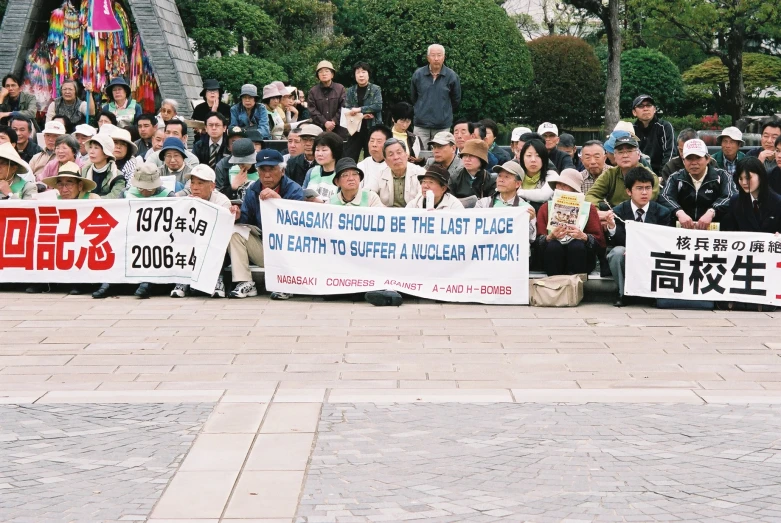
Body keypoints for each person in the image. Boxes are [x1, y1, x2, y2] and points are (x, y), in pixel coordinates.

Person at [229, 149, 304, 299]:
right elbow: (246, 219)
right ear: (257, 171)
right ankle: (245, 282)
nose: (267, 175)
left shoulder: (294, 189)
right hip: (265, 247)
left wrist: (278, 202)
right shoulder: (253, 189)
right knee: (235, 232)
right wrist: (237, 216)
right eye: (263, 170)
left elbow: (299, 224)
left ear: (282, 171)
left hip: (291, 252)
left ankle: (287, 284)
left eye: (272, 169)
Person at [604, 167, 673, 307]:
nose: (644, 192)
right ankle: (622, 293)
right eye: (639, 188)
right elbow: (616, 242)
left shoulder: (663, 212)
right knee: (616, 252)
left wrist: (640, 249)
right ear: (629, 191)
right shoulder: (618, 211)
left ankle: (653, 293)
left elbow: (663, 241)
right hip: (626, 253)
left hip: (651, 253)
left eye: (648, 188)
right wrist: (612, 227)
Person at [170, 164, 235, 299]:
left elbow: (222, 229)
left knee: (216, 242)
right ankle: (182, 281)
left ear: (212, 186)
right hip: (191, 243)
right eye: (192, 183)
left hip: (214, 243)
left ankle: (218, 279)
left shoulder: (222, 201)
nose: (195, 187)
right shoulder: (186, 200)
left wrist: (203, 207)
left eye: (200, 183)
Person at [536, 168, 605, 276]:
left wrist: (584, 237)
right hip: (553, 256)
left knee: (576, 245)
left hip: (581, 256)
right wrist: (549, 237)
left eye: (564, 185)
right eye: (558, 185)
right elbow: (538, 241)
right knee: (554, 246)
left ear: (574, 190)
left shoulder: (589, 208)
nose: (559, 188)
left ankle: (576, 284)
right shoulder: (545, 208)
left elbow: (599, 242)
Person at [659, 138, 736, 229]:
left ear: (708, 159)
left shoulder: (722, 176)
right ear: (684, 161)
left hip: (715, 231)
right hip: (682, 230)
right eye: (689, 159)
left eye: (698, 158)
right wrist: (679, 212)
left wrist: (711, 212)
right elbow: (664, 196)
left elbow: (730, 196)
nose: (694, 163)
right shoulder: (675, 178)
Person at [586, 135, 660, 223]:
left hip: (641, 220)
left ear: (638, 155)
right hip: (613, 218)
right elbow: (591, 195)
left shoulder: (649, 176)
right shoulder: (610, 174)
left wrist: (617, 213)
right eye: (620, 152)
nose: (625, 155)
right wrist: (598, 212)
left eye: (629, 151)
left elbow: (646, 201)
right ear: (615, 157)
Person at [410, 44, 461, 144]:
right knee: (418, 156)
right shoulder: (418, 74)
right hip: (421, 124)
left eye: (439, 55)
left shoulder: (451, 76)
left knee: (441, 156)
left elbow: (456, 100)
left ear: (444, 57)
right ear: (428, 58)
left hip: (442, 126)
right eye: (433, 55)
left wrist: (443, 112)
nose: (436, 59)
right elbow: (413, 97)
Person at [475, 161, 537, 241]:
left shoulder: (526, 208)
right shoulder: (483, 204)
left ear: (517, 184)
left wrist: (527, 221)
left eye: (507, 177)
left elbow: (531, 239)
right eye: (499, 176)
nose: (501, 180)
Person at [721, 157, 781, 236]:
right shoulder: (735, 201)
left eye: (748, 178)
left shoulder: (778, 202)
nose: (744, 182)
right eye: (740, 178)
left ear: (760, 176)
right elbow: (731, 231)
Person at [344, 62, 383, 161]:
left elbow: (378, 106)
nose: (361, 75)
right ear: (355, 75)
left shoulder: (376, 89)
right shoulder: (350, 91)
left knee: (370, 158)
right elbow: (348, 109)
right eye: (358, 72)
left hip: (372, 127)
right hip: (354, 129)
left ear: (368, 74)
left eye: (364, 72)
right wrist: (362, 115)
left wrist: (360, 109)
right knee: (350, 157)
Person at [370, 138, 424, 208]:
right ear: (385, 161)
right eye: (391, 154)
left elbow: (422, 196)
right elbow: (370, 194)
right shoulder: (379, 174)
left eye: (399, 153)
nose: (396, 157)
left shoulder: (420, 172)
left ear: (406, 155)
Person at [631, 94, 674, 175]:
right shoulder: (631, 129)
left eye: (649, 105)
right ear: (634, 112)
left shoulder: (664, 127)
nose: (645, 109)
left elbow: (670, 154)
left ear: (654, 109)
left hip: (661, 174)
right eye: (641, 106)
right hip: (638, 174)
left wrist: (662, 175)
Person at [308, 61, 347, 139]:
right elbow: (312, 110)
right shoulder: (313, 91)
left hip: (339, 129)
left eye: (327, 71)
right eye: (320, 71)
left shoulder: (340, 88)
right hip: (319, 129)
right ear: (318, 76)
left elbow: (344, 107)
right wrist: (325, 122)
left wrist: (333, 122)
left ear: (332, 74)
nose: (324, 74)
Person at [449, 139, 495, 203]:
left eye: (472, 156)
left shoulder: (490, 180)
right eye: (465, 155)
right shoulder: (454, 178)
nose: (467, 159)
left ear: (481, 159)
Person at [81, 134, 125, 198]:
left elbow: (115, 197)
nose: (91, 151)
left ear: (106, 154)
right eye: (90, 147)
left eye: (96, 148)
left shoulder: (117, 176)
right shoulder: (84, 171)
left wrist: (96, 198)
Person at [516, 139, 557, 209]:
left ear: (544, 159)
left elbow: (544, 195)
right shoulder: (516, 174)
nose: (533, 160)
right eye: (529, 155)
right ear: (522, 158)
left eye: (538, 156)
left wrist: (518, 192)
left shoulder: (552, 175)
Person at [302, 131, 343, 202]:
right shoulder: (311, 172)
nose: (319, 154)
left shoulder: (342, 174)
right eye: (317, 150)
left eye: (324, 150)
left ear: (335, 151)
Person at [357, 125, 391, 191]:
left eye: (379, 141)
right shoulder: (361, 166)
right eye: (372, 141)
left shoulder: (393, 165)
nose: (374, 145)